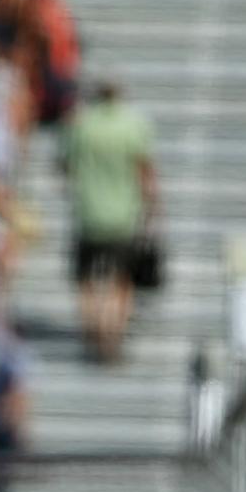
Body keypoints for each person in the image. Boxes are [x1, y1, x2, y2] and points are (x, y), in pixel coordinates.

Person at [62, 81, 161, 364]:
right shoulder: (133, 125)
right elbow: (146, 170)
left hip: (88, 214)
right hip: (123, 217)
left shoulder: (81, 125)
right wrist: (153, 208)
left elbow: (66, 165)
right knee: (121, 281)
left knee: (87, 281)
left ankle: (93, 328)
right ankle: (113, 330)